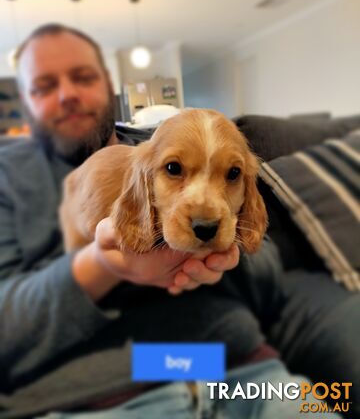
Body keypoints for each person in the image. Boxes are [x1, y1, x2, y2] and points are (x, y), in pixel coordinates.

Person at [0, 24, 343, 419]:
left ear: (108, 83)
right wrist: (101, 265)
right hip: (104, 397)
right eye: (43, 85)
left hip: (239, 371)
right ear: (25, 98)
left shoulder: (167, 141)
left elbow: (268, 279)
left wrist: (223, 264)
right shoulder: (9, 178)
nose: (68, 94)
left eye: (82, 77)